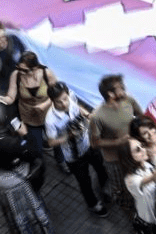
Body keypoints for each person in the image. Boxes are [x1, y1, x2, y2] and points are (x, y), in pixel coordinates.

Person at [0, 103, 52, 233]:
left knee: (16, 211)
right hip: (17, 179)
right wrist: (25, 135)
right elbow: (33, 152)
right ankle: (45, 226)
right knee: (34, 204)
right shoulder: (11, 144)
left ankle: (24, 230)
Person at [45, 82, 108, 217]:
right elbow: (51, 142)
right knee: (84, 182)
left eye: (65, 99)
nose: (64, 103)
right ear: (52, 101)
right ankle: (93, 205)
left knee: (101, 168)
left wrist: (87, 115)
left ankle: (106, 189)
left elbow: (77, 106)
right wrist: (68, 136)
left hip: (88, 144)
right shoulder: (50, 120)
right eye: (59, 101)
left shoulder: (71, 97)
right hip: (74, 157)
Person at [89, 74, 143, 210]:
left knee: (137, 180)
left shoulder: (129, 100)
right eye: (121, 88)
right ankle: (126, 207)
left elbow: (141, 117)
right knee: (120, 188)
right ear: (110, 94)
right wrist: (117, 142)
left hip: (132, 153)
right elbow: (94, 143)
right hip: (114, 160)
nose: (124, 89)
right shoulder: (97, 116)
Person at [0, 51, 58, 168]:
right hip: (29, 117)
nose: (21, 72)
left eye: (25, 70)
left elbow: (57, 94)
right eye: (19, 68)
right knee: (36, 146)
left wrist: (45, 104)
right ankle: (40, 165)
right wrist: (0, 98)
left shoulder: (47, 74)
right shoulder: (16, 75)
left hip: (49, 115)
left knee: (56, 141)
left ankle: (61, 161)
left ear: (35, 68)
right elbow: (10, 98)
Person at [120, 136, 156, 232]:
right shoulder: (130, 179)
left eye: (142, 146)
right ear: (128, 157)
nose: (143, 150)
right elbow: (152, 177)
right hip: (152, 221)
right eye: (137, 150)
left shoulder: (150, 162)